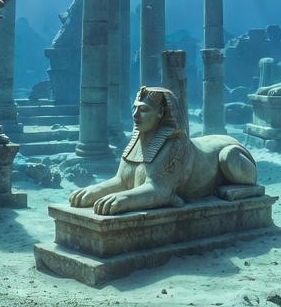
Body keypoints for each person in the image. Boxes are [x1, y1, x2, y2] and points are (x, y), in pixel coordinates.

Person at [69, 86, 256, 215]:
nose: (135, 115)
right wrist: (96, 190)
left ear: (160, 114)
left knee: (228, 157)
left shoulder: (176, 146)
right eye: (135, 108)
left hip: (231, 155)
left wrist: (125, 199)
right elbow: (122, 180)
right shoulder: (137, 141)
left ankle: (246, 190)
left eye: (143, 109)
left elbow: (160, 190)